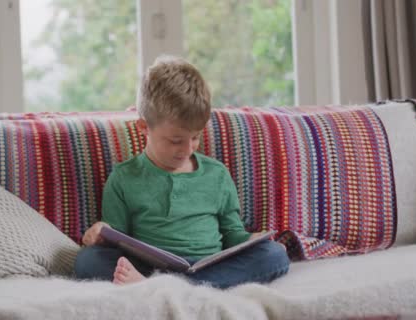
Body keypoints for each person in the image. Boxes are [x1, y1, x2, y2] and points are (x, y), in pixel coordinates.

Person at [74, 56, 289, 289]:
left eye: (195, 137)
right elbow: (117, 239)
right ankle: (186, 286)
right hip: (148, 266)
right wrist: (100, 234)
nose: (187, 149)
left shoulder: (216, 175)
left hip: (210, 266)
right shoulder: (123, 178)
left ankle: (161, 286)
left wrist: (251, 240)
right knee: (88, 260)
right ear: (144, 127)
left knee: (274, 254)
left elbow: (232, 234)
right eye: (176, 140)